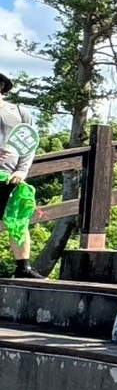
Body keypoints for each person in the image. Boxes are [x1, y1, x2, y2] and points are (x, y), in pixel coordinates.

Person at [0, 71, 37, 277]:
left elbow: (29, 144)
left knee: (18, 221)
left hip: (11, 175)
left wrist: (22, 170)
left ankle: (23, 268)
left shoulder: (20, 112)